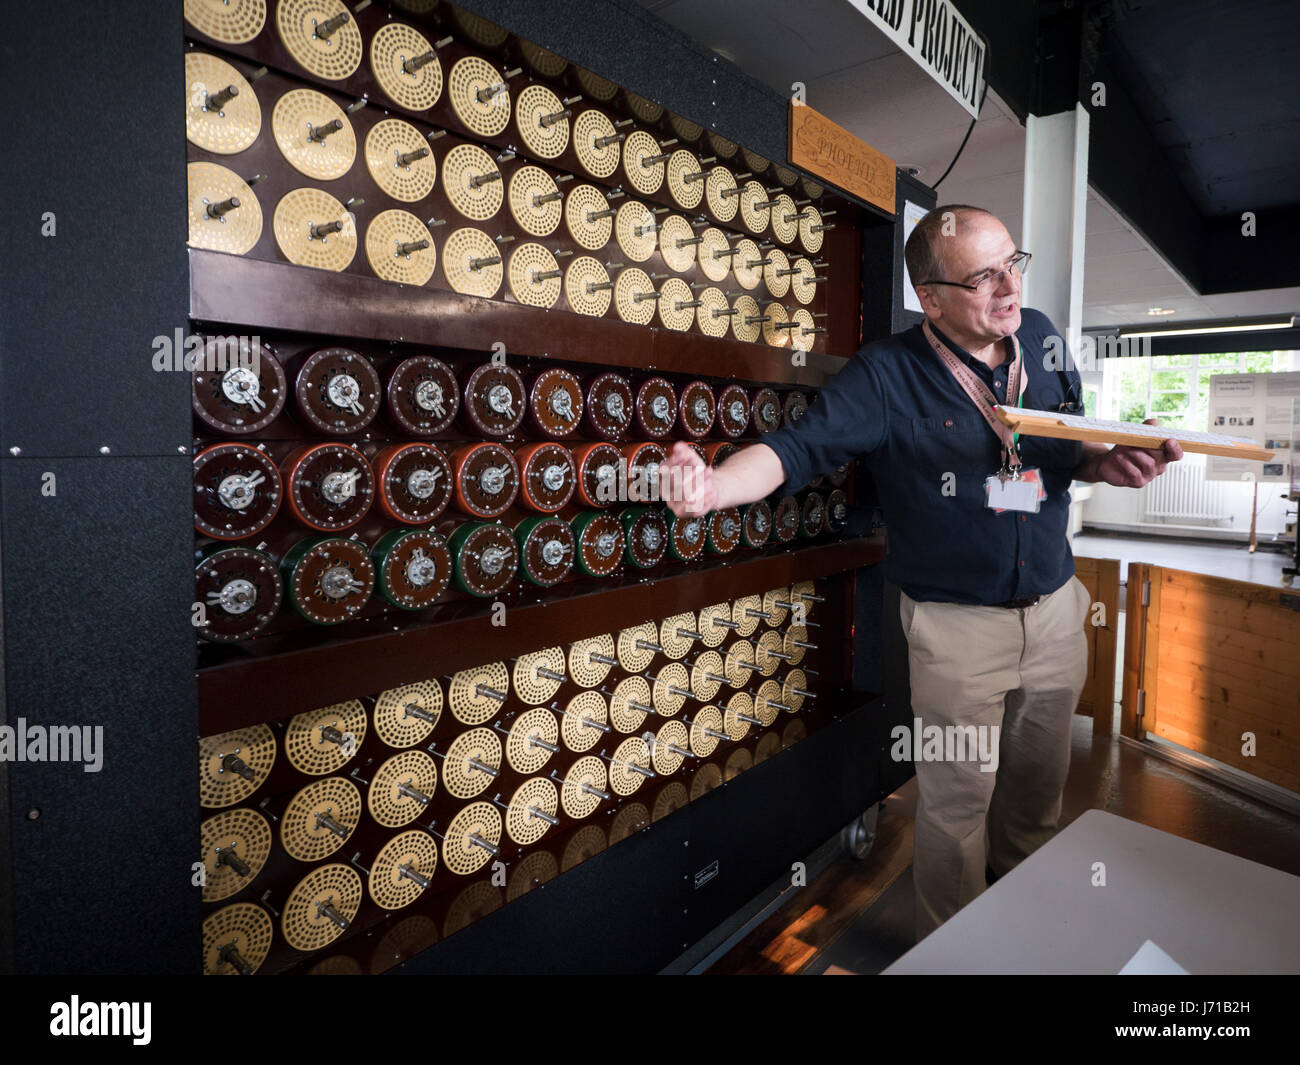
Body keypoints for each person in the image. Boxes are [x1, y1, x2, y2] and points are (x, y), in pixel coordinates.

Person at [659, 205, 1183, 940]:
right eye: (982, 277)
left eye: (1014, 264)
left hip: (1059, 611)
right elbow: (796, 450)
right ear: (929, 298)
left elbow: (1062, 448)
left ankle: (1023, 918)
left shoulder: (1043, 337)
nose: (1009, 288)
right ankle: (959, 949)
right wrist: (712, 488)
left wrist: (1105, 462)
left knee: (1037, 793)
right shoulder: (886, 375)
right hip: (956, 630)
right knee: (957, 807)